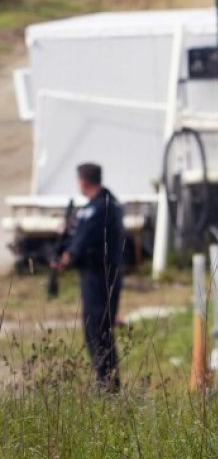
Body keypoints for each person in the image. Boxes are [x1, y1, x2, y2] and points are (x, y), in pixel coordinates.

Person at [58, 162, 126, 392]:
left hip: (101, 278)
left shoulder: (100, 208)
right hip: (94, 277)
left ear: (82, 181)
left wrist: (67, 258)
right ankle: (104, 380)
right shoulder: (99, 205)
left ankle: (108, 384)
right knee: (95, 329)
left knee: (98, 330)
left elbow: (84, 240)